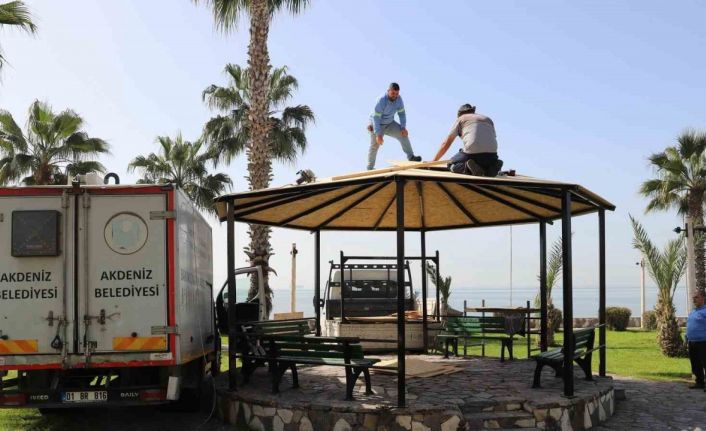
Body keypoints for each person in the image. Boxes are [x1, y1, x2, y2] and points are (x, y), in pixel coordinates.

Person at [432, 103, 503, 176]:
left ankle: (467, 168)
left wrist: (433, 162)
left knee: (451, 164)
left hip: (472, 151)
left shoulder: (461, 118)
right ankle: (491, 168)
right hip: (492, 154)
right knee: (483, 162)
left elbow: (446, 144)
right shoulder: (488, 119)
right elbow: (491, 138)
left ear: (460, 114)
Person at [367, 82, 422, 170]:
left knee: (403, 135)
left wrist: (403, 127)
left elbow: (402, 114)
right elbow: (376, 117)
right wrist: (378, 134)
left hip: (390, 123)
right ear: (388, 91)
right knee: (374, 145)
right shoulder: (382, 100)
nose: (395, 96)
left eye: (397, 94)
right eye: (393, 93)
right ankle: (370, 168)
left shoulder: (399, 99)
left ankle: (411, 157)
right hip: (377, 124)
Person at [687, 290, 706, 389]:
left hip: (703, 342)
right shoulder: (693, 312)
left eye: (696, 297)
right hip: (692, 342)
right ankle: (699, 382)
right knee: (695, 363)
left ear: (703, 298)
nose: (694, 299)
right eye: (693, 298)